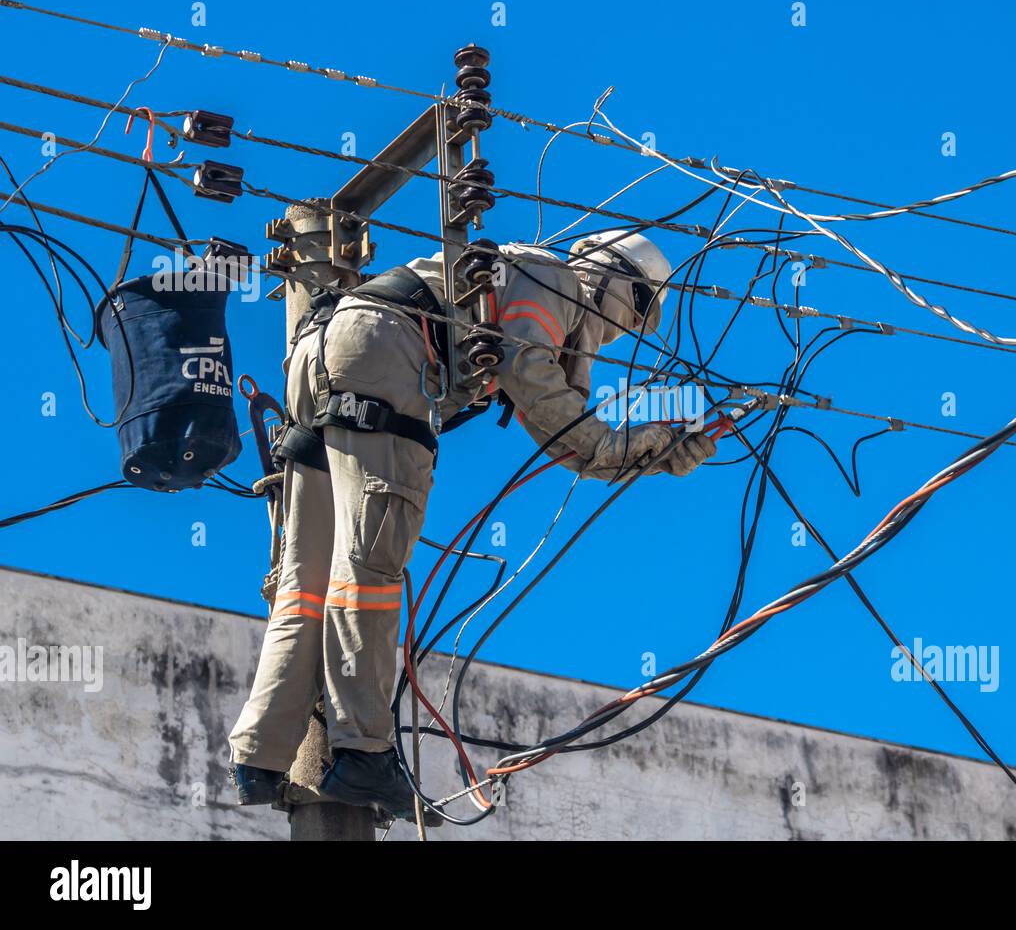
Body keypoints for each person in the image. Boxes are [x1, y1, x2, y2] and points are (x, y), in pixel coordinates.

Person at [227, 231, 716, 818]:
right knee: (369, 568)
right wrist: (658, 443)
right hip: (385, 356)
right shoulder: (554, 281)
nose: (623, 332)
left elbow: (569, 433)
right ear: (609, 277)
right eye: (636, 311)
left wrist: (654, 453)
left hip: (319, 355)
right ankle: (362, 754)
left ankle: (259, 753)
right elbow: (568, 429)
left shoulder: (514, 279)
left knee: (305, 584)